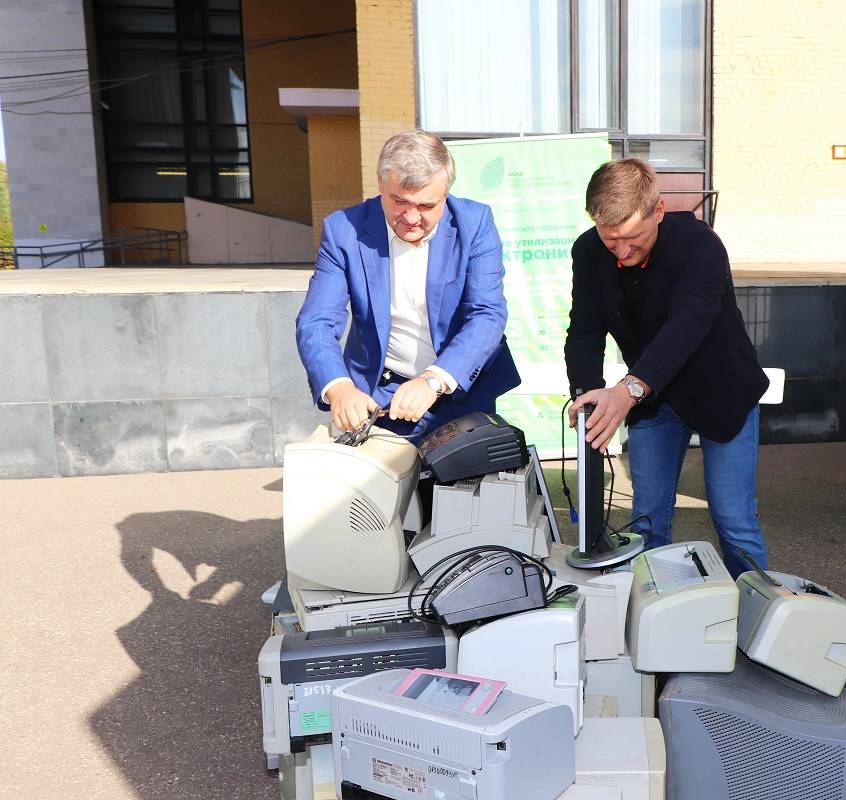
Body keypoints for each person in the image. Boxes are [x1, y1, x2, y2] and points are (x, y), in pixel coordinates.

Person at [564, 159, 768, 577]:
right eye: (610, 238)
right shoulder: (588, 251)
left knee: (733, 521)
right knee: (648, 519)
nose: (622, 251)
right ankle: (654, 615)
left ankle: (754, 624)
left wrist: (627, 392)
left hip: (721, 393)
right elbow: (584, 329)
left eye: (633, 237)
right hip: (656, 402)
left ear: (658, 210)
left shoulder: (700, 244)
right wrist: (588, 397)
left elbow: (687, 326)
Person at [296, 130, 519, 440]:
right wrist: (339, 387)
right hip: (378, 397)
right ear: (380, 184)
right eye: (399, 201)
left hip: (460, 390)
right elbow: (316, 321)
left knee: (461, 488)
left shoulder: (475, 223)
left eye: (427, 206)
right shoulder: (343, 231)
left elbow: (487, 313)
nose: (412, 218)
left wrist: (433, 380)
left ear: (445, 192)